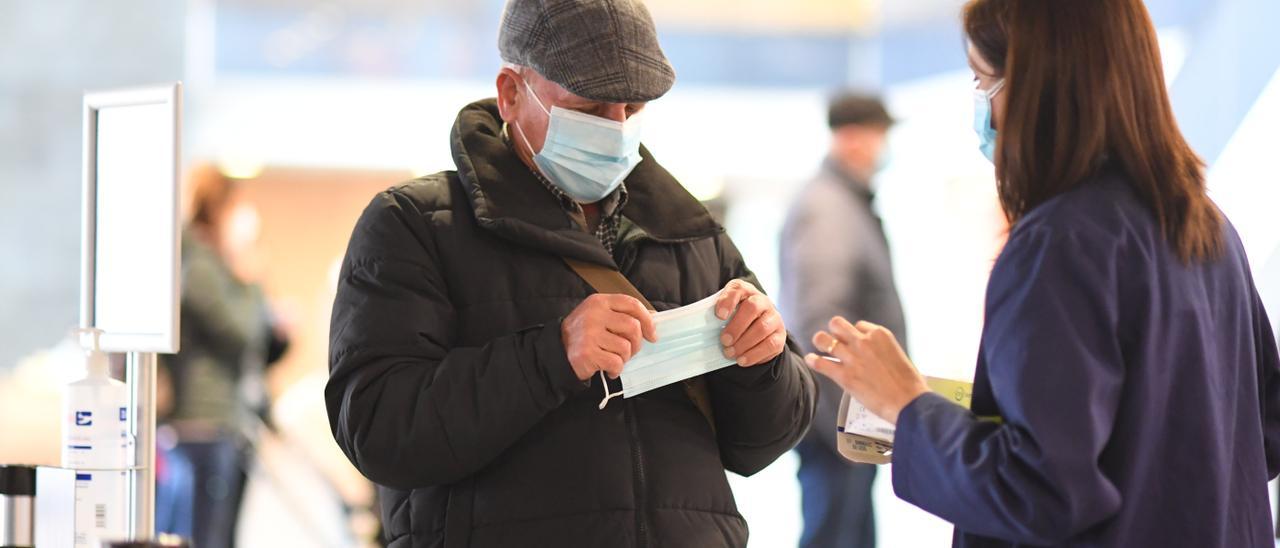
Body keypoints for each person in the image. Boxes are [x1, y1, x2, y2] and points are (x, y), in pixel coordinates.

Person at [324, 1, 817, 546]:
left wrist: (764, 362)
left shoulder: (689, 233)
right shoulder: (415, 225)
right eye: (590, 107)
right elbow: (377, 430)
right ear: (512, 94)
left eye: (632, 109)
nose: (617, 130)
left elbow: (760, 443)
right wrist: (550, 357)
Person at [803, 1, 1280, 547]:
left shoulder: (1061, 243)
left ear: (1036, 90)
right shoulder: (1206, 226)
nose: (983, 108)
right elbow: (1261, 432)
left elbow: (1041, 490)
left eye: (984, 83)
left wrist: (910, 409)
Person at [779, 93, 901, 548]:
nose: (883, 147)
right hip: (840, 426)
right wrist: (846, 433)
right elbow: (822, 324)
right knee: (834, 536)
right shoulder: (829, 209)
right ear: (852, 137)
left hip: (854, 421)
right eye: (879, 135)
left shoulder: (845, 203)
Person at [161, 164, 291, 548]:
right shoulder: (200, 266)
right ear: (218, 208)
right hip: (205, 423)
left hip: (224, 423)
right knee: (208, 537)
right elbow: (241, 332)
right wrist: (251, 279)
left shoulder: (210, 265)